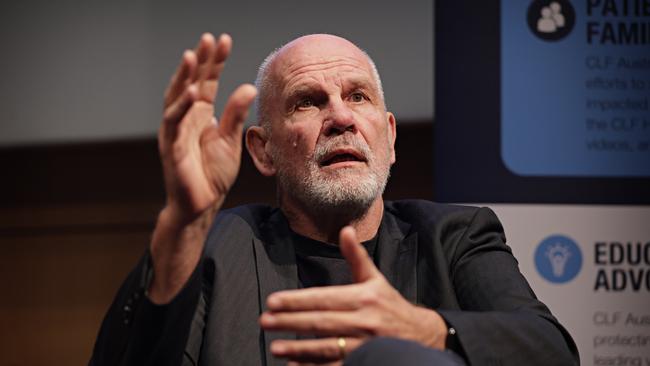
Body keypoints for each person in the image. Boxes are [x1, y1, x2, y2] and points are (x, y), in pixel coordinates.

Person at [90, 33, 579, 366]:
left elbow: (549, 351)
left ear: (388, 139)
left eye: (359, 97)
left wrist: (424, 330)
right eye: (308, 101)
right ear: (263, 151)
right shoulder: (220, 245)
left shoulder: (454, 237)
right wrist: (183, 222)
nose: (341, 117)